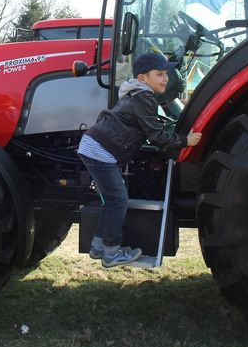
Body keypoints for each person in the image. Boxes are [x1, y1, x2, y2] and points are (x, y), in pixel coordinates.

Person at [78, 52, 202, 268]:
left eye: (166, 74)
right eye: (160, 74)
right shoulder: (145, 98)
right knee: (118, 200)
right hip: (101, 151)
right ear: (144, 78)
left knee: (112, 200)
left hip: (95, 147)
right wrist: (186, 140)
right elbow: (156, 136)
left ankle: (99, 247)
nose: (165, 79)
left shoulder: (135, 94)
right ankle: (111, 254)